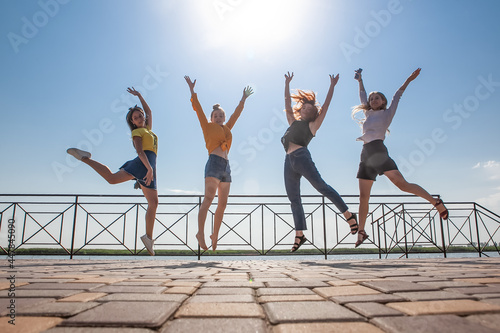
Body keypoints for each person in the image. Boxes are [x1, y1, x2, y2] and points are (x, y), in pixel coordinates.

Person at [352, 68, 449, 247]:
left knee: (402, 185)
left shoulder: (387, 113)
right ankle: (361, 231)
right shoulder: (368, 114)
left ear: (383, 102)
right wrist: (360, 80)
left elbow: (398, 94)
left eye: (377, 98)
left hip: (379, 152)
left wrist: (409, 79)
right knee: (363, 197)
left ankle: (435, 202)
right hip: (365, 154)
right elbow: (362, 94)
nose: (373, 100)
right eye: (371, 98)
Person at [67, 87, 158, 256]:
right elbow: (140, 152)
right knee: (148, 200)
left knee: (150, 201)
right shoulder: (138, 133)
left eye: (140, 115)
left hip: (146, 166)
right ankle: (148, 237)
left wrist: (139, 96)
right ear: (133, 122)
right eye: (135, 118)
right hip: (144, 164)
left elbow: (149, 111)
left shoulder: (148, 130)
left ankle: (148, 238)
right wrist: (149, 168)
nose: (139, 118)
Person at [282, 72, 358, 253]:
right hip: (288, 160)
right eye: (304, 107)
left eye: (310, 108)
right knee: (294, 199)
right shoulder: (292, 121)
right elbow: (286, 103)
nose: (305, 109)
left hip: (302, 157)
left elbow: (326, 107)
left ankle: (348, 215)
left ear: (313, 113)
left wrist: (332, 86)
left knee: (321, 187)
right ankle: (299, 234)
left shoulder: (312, 126)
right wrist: (286, 83)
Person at [184, 76, 253, 251]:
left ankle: (215, 234)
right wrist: (193, 91)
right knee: (208, 199)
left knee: (222, 204)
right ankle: (200, 233)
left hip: (226, 167)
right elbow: (198, 109)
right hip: (214, 163)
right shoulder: (207, 126)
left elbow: (236, 115)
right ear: (212, 117)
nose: (220, 117)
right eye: (216, 115)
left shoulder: (227, 128)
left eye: (221, 115)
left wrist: (243, 99)